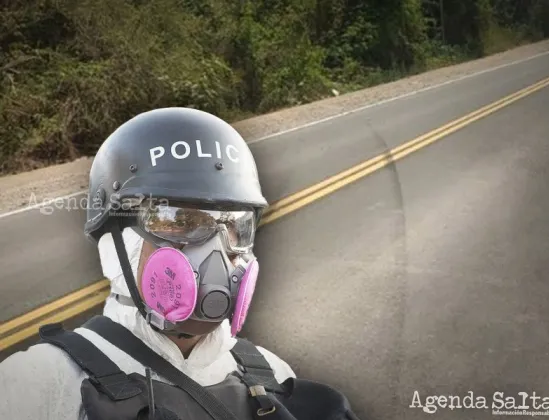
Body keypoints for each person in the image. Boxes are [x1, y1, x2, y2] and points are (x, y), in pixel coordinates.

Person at [0, 108, 359, 420]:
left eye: (235, 225)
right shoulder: (36, 385)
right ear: (116, 244)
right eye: (180, 222)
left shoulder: (273, 377)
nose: (219, 252)